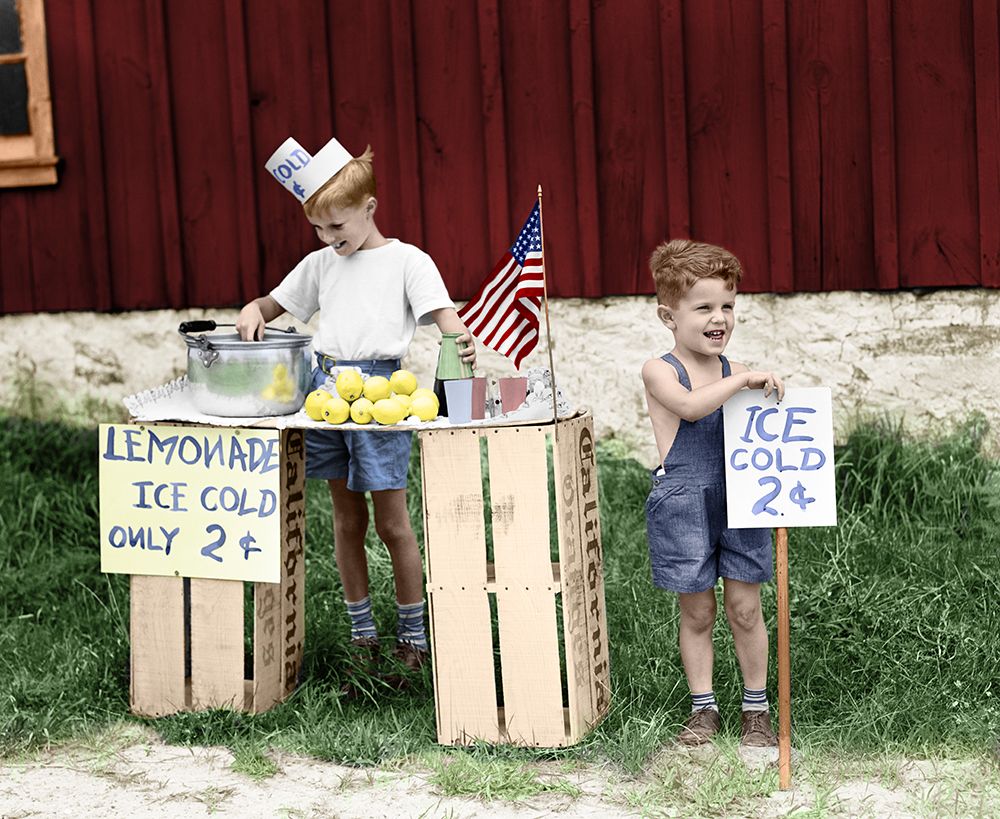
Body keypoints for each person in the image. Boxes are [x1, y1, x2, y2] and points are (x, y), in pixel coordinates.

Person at [238, 138, 475, 695]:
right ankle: (362, 635)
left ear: (369, 207)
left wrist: (459, 341)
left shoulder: (407, 261)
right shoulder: (321, 264)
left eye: (336, 226)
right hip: (326, 396)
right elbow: (273, 305)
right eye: (319, 229)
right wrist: (253, 308)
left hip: (382, 396)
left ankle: (412, 639)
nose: (328, 239)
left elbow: (446, 319)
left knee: (392, 522)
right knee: (346, 521)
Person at [641, 238, 785, 747]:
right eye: (703, 307)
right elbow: (690, 406)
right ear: (668, 315)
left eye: (727, 305)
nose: (718, 317)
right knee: (697, 610)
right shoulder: (661, 369)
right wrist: (745, 379)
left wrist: (769, 399)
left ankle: (756, 707)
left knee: (745, 607)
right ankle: (703, 707)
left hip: (740, 498)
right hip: (684, 501)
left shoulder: (734, 372)